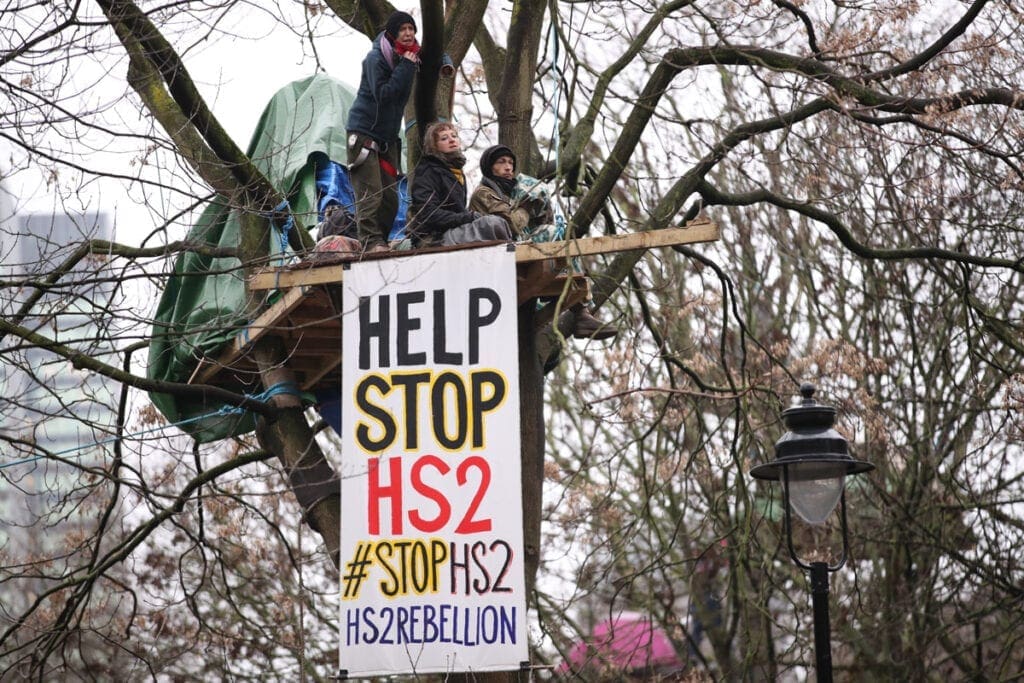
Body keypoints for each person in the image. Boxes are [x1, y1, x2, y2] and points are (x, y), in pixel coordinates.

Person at [469, 144, 618, 341]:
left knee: (558, 233)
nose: (508, 167)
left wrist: (540, 204)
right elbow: (511, 225)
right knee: (551, 234)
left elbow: (533, 225)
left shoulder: (512, 191)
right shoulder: (484, 193)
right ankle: (581, 312)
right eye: (501, 162)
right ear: (489, 167)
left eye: (511, 163)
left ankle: (581, 313)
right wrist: (528, 204)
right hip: (493, 257)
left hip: (514, 251)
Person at [346, 11, 420, 253]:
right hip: (364, 134)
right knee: (371, 194)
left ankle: (381, 240)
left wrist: (446, 61)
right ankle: (370, 242)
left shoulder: (408, 57)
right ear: (392, 33)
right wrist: (407, 66)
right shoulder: (376, 59)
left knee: (390, 199)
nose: (408, 33)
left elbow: (435, 55)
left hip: (387, 139)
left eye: (412, 28)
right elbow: (384, 95)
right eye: (403, 29)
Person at [405, 123, 512, 247]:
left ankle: (509, 254)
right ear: (434, 146)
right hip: (432, 238)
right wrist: (468, 217)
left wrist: (467, 218)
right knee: (491, 224)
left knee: (497, 223)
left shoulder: (456, 171)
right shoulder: (428, 171)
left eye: (454, 136)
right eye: (444, 138)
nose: (451, 140)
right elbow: (428, 214)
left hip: (451, 231)